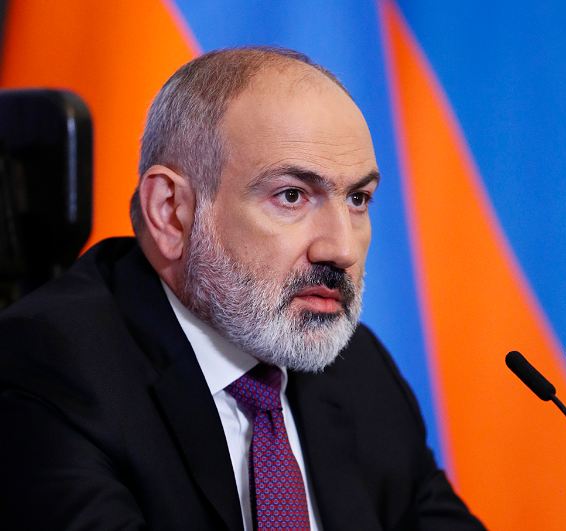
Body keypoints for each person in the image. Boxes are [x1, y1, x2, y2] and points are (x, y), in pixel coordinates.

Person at [0, 47, 484, 530]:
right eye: (292, 196)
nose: (341, 249)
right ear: (171, 212)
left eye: (358, 199)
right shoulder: (48, 367)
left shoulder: (358, 369)